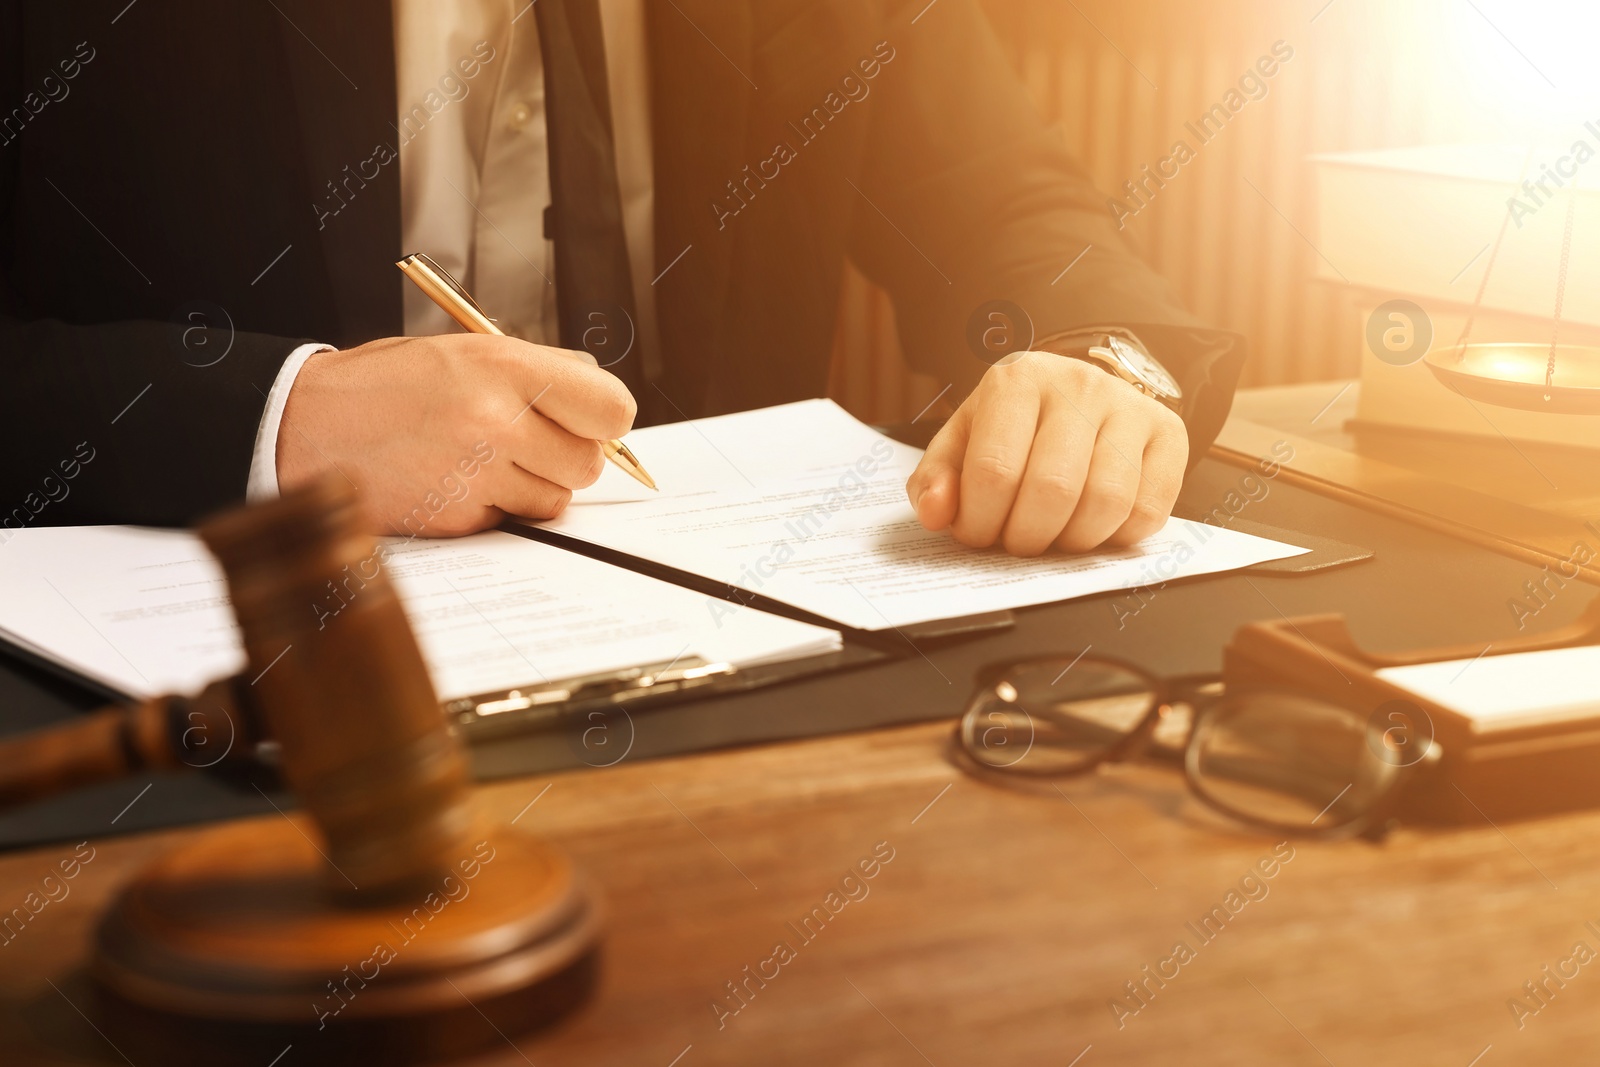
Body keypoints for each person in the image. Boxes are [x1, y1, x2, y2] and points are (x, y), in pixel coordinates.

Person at [0, 0, 1243, 558]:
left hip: (735, 674)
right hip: (234, 711)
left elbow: (1013, 207)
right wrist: (278, 412)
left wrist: (1103, 360)